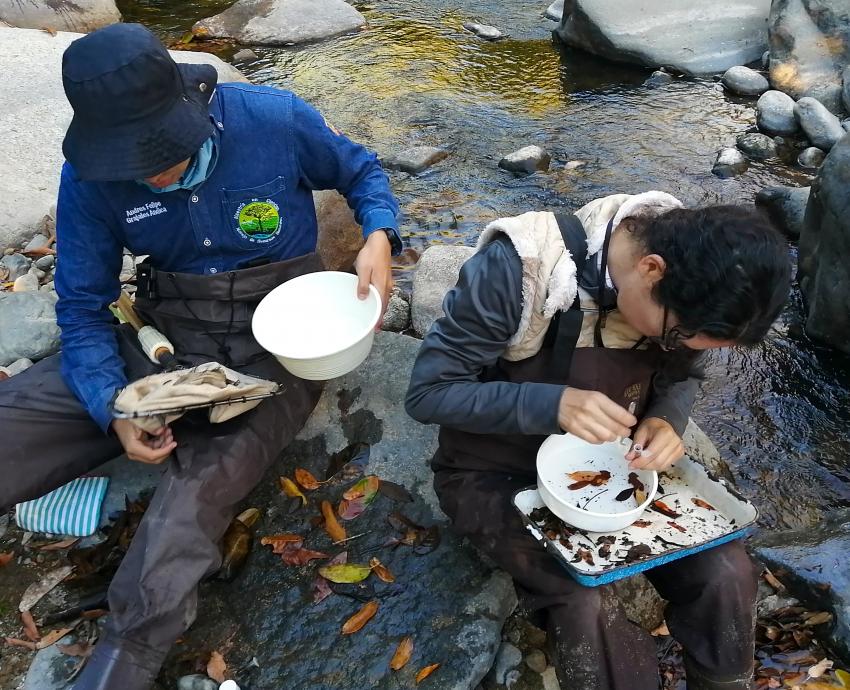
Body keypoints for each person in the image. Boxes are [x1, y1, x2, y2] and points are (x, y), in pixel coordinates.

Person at [0, 23, 401, 690]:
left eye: (165, 151)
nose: (153, 170)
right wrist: (112, 406)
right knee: (17, 421)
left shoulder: (271, 119)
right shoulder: (91, 179)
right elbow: (82, 308)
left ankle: (118, 665)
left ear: (192, 107)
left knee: (187, 506)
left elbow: (360, 170)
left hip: (281, 348)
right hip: (164, 332)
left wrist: (380, 233)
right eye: (135, 160)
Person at [405, 192, 791, 690]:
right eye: (672, 338)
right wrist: (553, 405)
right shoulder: (521, 269)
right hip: (493, 471)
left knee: (727, 573)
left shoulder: (695, 283)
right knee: (583, 600)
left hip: (620, 466)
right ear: (651, 269)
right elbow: (429, 393)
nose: (673, 348)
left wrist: (667, 418)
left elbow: (685, 374)